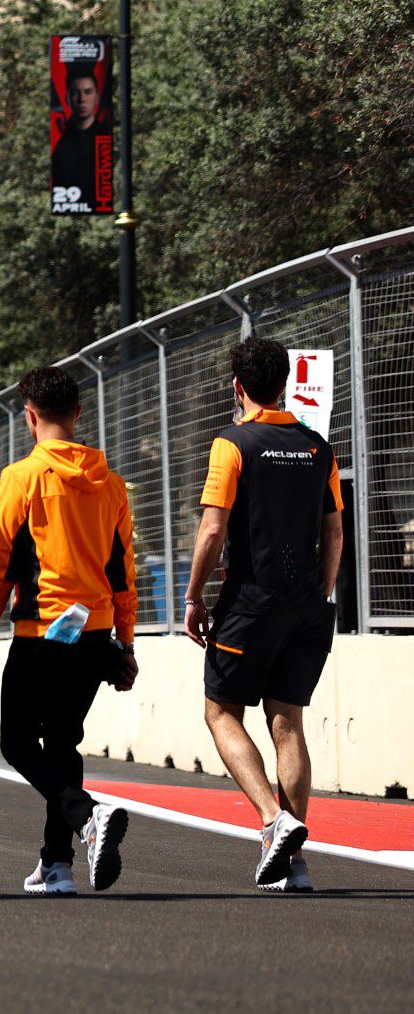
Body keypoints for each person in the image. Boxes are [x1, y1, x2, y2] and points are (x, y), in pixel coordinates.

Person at [0, 366, 138, 896]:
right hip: (95, 631)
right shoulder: (111, 484)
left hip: (41, 629)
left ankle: (86, 817)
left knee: (18, 742)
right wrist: (127, 643)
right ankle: (57, 865)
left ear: (30, 416)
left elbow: (0, 564)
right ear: (79, 414)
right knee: (63, 740)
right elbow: (124, 570)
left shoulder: (21, 477)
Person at [184, 335, 344, 893]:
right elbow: (334, 529)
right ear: (285, 384)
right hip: (307, 604)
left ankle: (274, 822)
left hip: (251, 603)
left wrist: (193, 595)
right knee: (287, 720)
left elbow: (212, 528)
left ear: (237, 386)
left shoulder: (232, 443)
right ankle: (295, 866)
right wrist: (322, 591)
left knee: (221, 710)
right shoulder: (318, 446)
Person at [50, 63, 112, 212]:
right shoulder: (60, 145)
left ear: (97, 97)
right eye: (75, 93)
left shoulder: (105, 136)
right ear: (68, 98)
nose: (82, 99)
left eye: (88, 92)